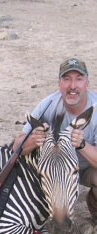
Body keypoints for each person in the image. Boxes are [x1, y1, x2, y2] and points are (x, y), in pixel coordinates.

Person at [12, 58, 97, 224]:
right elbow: (17, 147)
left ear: (87, 83)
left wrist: (81, 145)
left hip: (86, 168)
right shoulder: (48, 104)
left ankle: (94, 207)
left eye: (78, 79)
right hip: (53, 170)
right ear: (59, 84)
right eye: (67, 79)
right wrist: (33, 139)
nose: (72, 86)